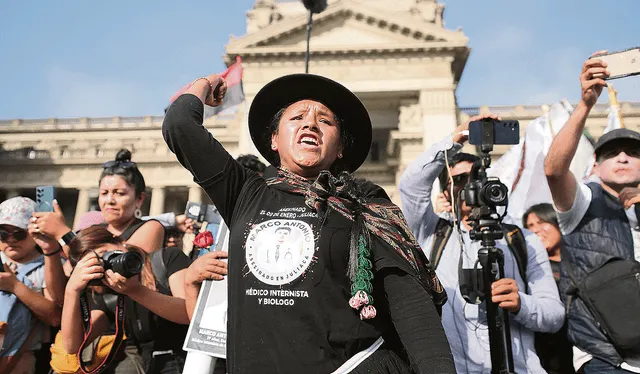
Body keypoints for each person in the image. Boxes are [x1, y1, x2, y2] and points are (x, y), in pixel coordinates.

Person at [163, 73, 454, 373]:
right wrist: (206, 85)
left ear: (340, 147)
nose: (310, 123)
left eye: (325, 121)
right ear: (274, 139)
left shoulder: (365, 205)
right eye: (297, 117)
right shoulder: (244, 192)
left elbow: (410, 306)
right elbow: (179, 125)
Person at [398, 116, 565, 373]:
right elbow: (411, 185)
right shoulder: (432, 232)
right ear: (445, 193)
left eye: (476, 177)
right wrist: (456, 138)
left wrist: (521, 303)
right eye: (460, 179)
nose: (470, 184)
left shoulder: (522, 239)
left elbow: (554, 314)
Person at [544, 52, 640, 373]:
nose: (623, 157)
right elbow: (555, 171)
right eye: (612, 153)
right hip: (605, 358)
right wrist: (585, 104)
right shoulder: (583, 202)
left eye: (633, 152)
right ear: (596, 166)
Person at [60, 226, 191, 374]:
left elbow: (188, 313)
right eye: (97, 264)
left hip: (192, 360)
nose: (108, 265)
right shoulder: (106, 292)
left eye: (104, 255)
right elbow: (73, 346)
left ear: (120, 241)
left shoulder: (166, 259)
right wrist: (71, 290)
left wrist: (135, 291)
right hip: (152, 366)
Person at [33, 149, 165, 255]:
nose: (109, 200)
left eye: (119, 193)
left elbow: (121, 270)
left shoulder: (151, 228)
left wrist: (61, 232)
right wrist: (50, 250)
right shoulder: (92, 231)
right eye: (104, 193)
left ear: (139, 199)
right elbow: (59, 288)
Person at [0, 197, 64, 374]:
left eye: (18, 233)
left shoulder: (48, 266)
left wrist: (15, 286)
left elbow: (54, 317)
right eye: (3, 233)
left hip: (20, 357)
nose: (11, 239)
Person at [523, 203, 575, 374]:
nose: (536, 230)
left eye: (542, 222)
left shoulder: (578, 262)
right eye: (530, 226)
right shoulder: (531, 272)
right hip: (548, 356)